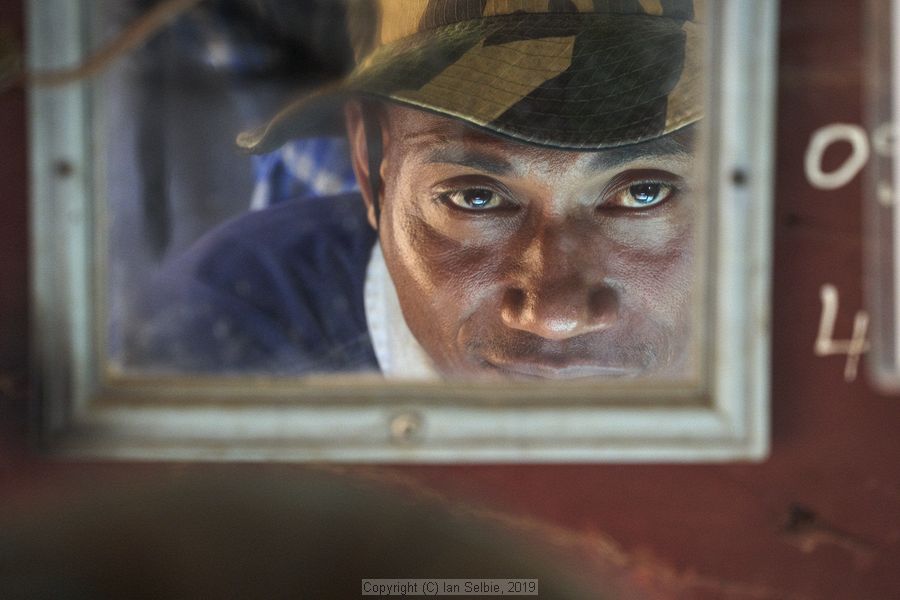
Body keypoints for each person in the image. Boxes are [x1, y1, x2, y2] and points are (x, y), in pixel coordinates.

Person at [129, 0, 703, 380]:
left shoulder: (783, 331)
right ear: (368, 163)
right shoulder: (226, 335)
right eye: (476, 197)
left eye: (645, 192)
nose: (554, 315)